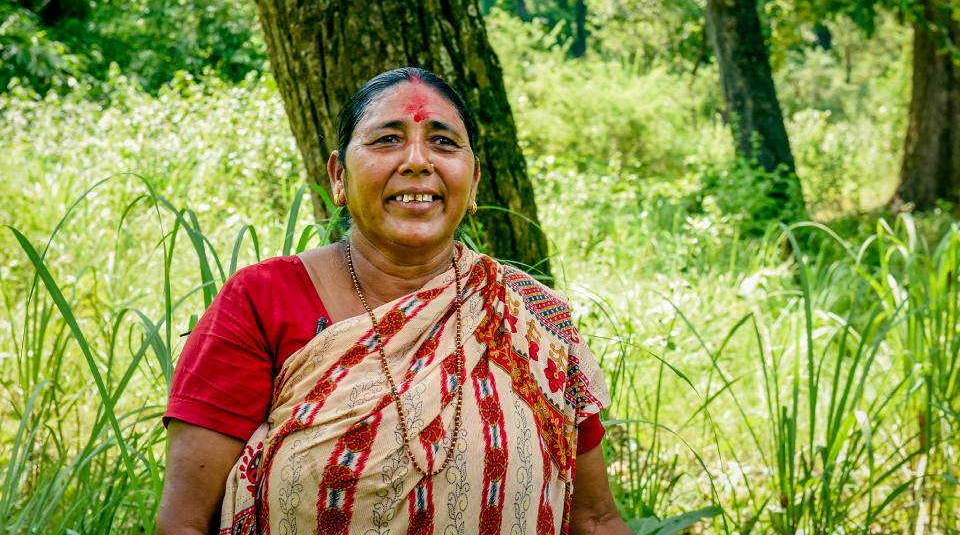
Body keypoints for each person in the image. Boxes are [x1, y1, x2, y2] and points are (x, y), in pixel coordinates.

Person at [157, 68, 630, 535]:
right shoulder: (262, 301)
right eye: (387, 140)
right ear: (338, 176)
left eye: (443, 141)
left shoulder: (533, 318)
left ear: (474, 182)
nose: (418, 161)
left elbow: (594, 519)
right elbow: (184, 522)